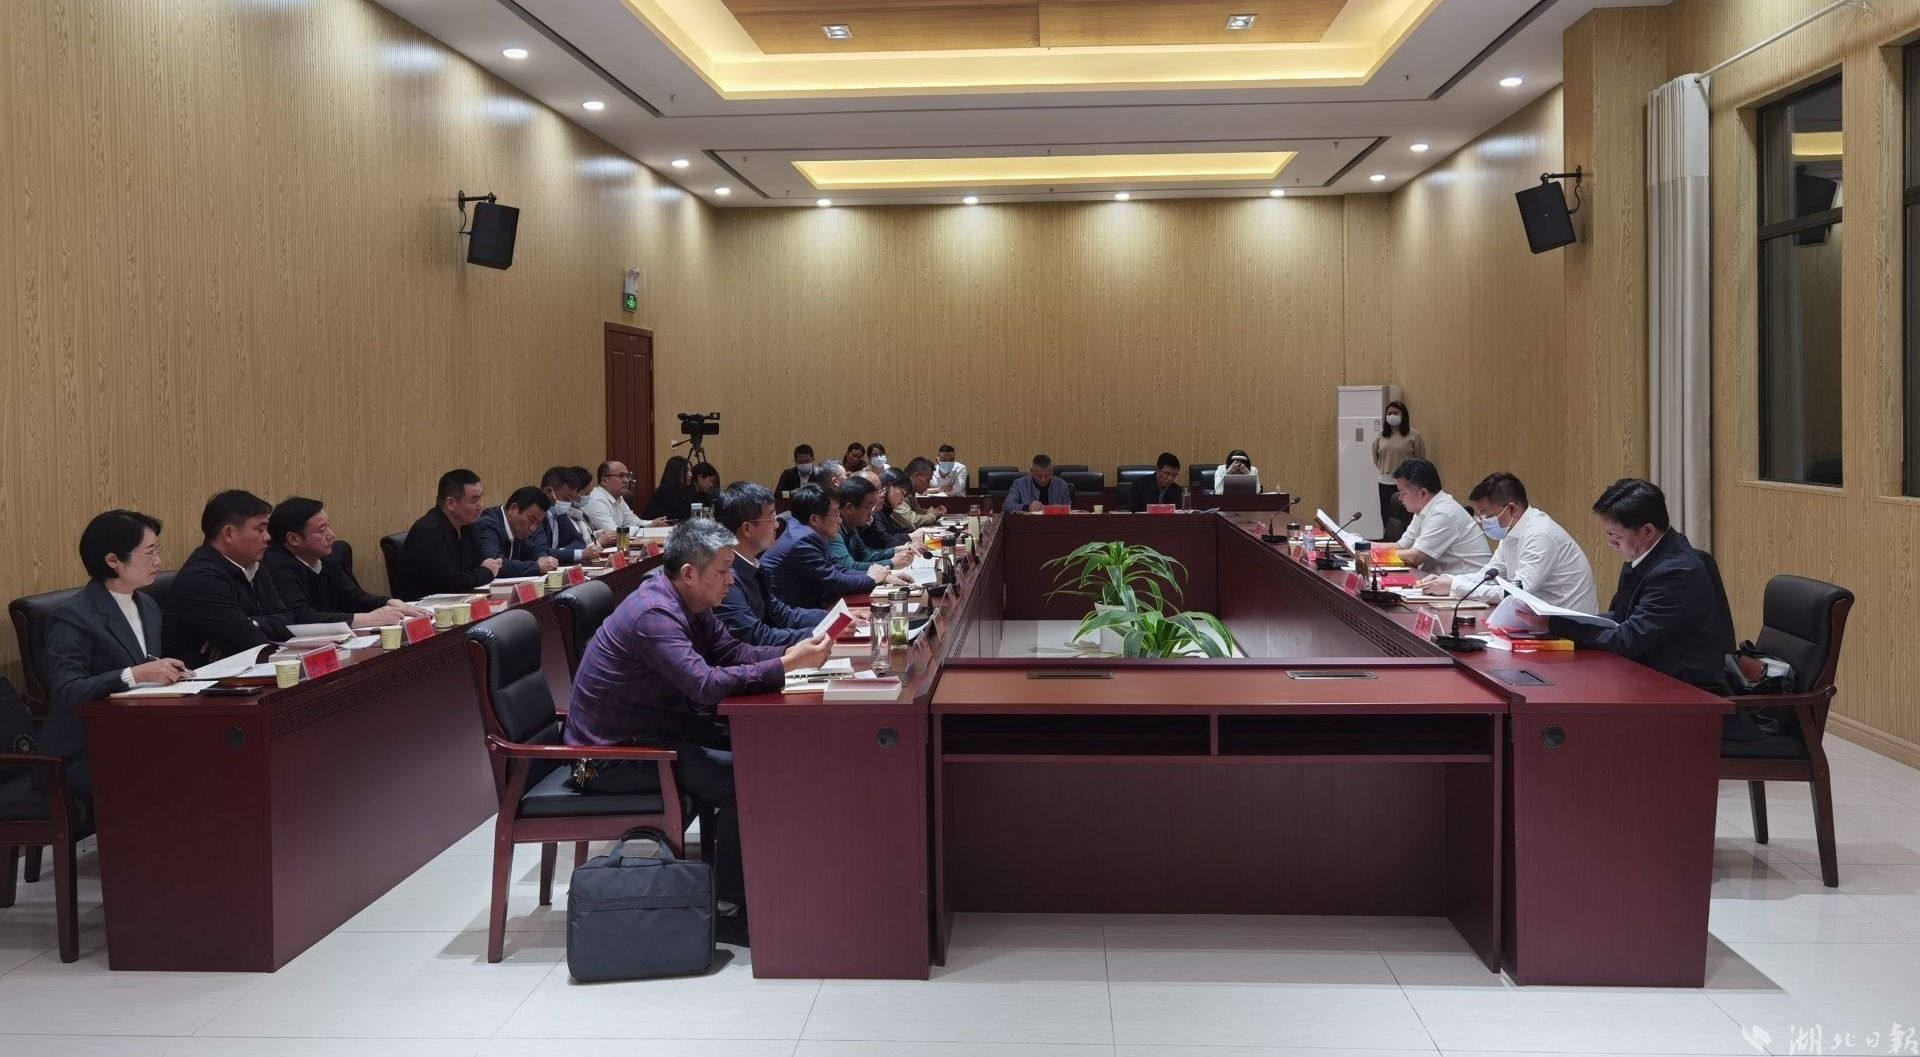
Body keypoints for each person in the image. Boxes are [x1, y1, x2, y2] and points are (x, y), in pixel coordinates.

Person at [564, 519, 835, 946]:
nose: (732, 579)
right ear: (689, 573)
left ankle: (773, 878)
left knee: (770, 755)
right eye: (724, 570)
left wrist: (791, 653)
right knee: (749, 779)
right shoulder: (654, 615)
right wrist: (785, 666)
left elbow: (732, 652)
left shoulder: (690, 603)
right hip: (611, 759)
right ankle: (730, 910)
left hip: (661, 734)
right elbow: (704, 685)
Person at [1526, 479, 1733, 691]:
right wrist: (1558, 620)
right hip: (1648, 674)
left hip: (1684, 690)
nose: (1610, 543)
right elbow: (1622, 616)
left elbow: (1629, 639)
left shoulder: (1676, 573)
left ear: (1647, 532)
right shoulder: (1649, 555)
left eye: (1615, 536)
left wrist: (1555, 625)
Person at [42, 511, 190, 798]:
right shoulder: (72, 615)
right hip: (84, 751)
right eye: (149, 552)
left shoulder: (147, 605)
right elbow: (68, 689)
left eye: (157, 550)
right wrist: (135, 675)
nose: (158, 561)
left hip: (135, 733)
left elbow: (146, 665)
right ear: (113, 560)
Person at [1416, 473, 1599, 612]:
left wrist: (1455, 587)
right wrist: (1448, 579)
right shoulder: (1511, 533)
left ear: (1511, 509)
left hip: (1568, 628)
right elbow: (1488, 576)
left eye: (1486, 514)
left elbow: (1517, 593)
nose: (1482, 521)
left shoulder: (1540, 535)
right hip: (1538, 619)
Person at [161, 490, 295, 667]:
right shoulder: (201, 578)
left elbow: (288, 621)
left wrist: (252, 622)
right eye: (260, 529)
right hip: (201, 678)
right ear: (229, 534)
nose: (268, 537)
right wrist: (256, 626)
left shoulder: (254, 564)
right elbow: (250, 644)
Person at [264, 497, 422, 628]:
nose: (331, 535)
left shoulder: (329, 558)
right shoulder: (275, 567)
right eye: (322, 530)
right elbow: (301, 618)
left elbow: (353, 598)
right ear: (293, 539)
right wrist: (366, 619)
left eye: (328, 526)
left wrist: (389, 602)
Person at [713, 482, 829, 646]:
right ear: (747, 529)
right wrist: (823, 631)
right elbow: (757, 637)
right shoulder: (726, 578)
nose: (776, 525)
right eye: (771, 518)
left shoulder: (752, 564)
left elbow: (782, 614)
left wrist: (832, 618)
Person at [762, 484, 907, 609]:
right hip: (785, 617)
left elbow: (838, 569)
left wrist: (882, 576)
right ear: (815, 519)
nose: (840, 520)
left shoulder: (809, 532)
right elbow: (835, 581)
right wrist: (872, 579)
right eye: (836, 514)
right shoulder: (802, 540)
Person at [399, 469, 503, 597]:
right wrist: (487, 572)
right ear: (451, 503)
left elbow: (480, 563)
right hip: (425, 605)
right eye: (474, 500)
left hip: (461, 598)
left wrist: (485, 570)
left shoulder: (467, 525)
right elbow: (451, 582)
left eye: (481, 498)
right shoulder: (427, 532)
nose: (480, 505)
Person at [1391, 459, 1492, 576]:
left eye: (1403, 493)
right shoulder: (1422, 510)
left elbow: (1415, 557)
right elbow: (1400, 546)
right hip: (1442, 579)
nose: (1400, 498)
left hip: (1469, 582)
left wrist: (1376, 555)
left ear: (1423, 493)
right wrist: (1371, 547)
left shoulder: (1442, 513)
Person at [473, 487, 563, 577]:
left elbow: (534, 550)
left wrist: (542, 558)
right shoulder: (487, 525)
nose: (532, 528)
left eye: (538, 523)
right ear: (513, 509)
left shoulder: (518, 530)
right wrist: (537, 566)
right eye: (531, 519)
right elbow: (493, 565)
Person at [831, 477, 914, 571]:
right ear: (849, 508)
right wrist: (891, 563)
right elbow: (849, 568)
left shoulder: (851, 524)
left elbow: (864, 555)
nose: (872, 513)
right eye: (869, 507)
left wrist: (895, 550)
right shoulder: (833, 529)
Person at [1371, 399, 1426, 541]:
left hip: (1408, 482)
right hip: (1385, 481)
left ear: (1403, 415)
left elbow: (1420, 458)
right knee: (1387, 515)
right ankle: (1390, 542)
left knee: (1407, 515)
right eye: (1389, 413)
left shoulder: (1414, 435)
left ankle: (1408, 542)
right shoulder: (1381, 436)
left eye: (1395, 413)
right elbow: (1376, 458)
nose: (1392, 416)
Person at [540, 465, 608, 561]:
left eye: (572, 497)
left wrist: (561, 552)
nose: (569, 502)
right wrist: (574, 553)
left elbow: (579, 541)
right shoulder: (536, 516)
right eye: (566, 498)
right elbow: (541, 552)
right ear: (548, 491)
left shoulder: (560, 513)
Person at [581, 461, 663, 537]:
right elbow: (614, 533)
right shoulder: (597, 501)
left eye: (627, 476)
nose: (626, 480)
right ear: (604, 481)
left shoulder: (618, 498)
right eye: (621, 476)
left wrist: (654, 523)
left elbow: (635, 522)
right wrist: (642, 527)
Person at [887, 463, 947, 533]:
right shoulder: (896, 492)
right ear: (915, 476)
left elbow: (915, 512)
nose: (928, 485)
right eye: (927, 480)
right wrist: (932, 516)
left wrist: (932, 512)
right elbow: (911, 522)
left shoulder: (911, 492)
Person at [1003, 454, 1073, 512]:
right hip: (1029, 522)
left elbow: (1069, 508)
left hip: (1055, 522)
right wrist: (1028, 507)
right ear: (1031, 471)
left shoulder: (1061, 485)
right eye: (1039, 476)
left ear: (1052, 471)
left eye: (1047, 476)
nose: (1043, 479)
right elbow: (1006, 506)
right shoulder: (1019, 484)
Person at [643, 456, 697, 522]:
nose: (690, 475)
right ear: (676, 472)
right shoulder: (664, 491)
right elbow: (676, 518)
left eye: (690, 471)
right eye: (686, 471)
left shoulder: (686, 491)